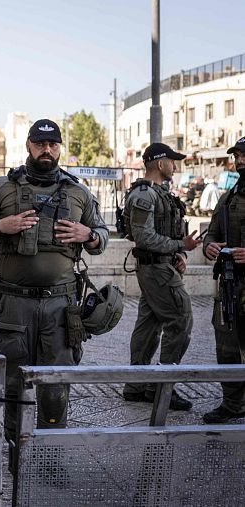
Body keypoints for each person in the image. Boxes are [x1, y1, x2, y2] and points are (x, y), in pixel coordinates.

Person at [0, 119, 109, 445]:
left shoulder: (77, 191)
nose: (47, 149)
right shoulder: (3, 188)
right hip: (15, 306)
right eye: (40, 143)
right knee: (13, 383)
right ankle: (15, 452)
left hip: (60, 307)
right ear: (28, 145)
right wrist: (2, 225)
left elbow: (102, 234)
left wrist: (89, 236)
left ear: (59, 148)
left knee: (56, 386)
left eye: (53, 144)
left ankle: (49, 454)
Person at [121, 143, 201, 411]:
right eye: (172, 161)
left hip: (158, 265)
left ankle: (136, 385)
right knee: (180, 319)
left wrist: (176, 254)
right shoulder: (145, 195)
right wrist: (180, 246)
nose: (175, 166)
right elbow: (143, 237)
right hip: (156, 269)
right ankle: (161, 387)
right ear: (159, 163)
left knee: (149, 324)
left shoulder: (155, 193)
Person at [201, 136, 245, 424]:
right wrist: (210, 246)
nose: (240, 161)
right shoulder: (228, 197)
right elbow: (212, 232)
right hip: (231, 285)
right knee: (226, 348)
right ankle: (232, 404)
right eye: (237, 156)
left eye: (244, 156)